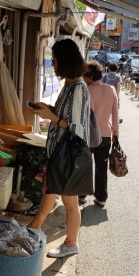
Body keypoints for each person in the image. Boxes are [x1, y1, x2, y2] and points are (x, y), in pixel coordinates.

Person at [28, 39, 90, 258]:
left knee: (68, 201)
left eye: (54, 59)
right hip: (59, 155)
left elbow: (76, 127)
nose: (52, 64)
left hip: (67, 156)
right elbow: (66, 116)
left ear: (65, 60)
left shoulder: (78, 89)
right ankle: (33, 229)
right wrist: (50, 109)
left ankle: (69, 243)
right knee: (53, 192)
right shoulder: (70, 85)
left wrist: (51, 116)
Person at [80, 61, 119, 207]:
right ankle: (101, 197)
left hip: (88, 136)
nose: (83, 78)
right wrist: (116, 133)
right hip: (105, 136)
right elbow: (115, 113)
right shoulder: (111, 90)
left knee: (84, 165)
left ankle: (82, 195)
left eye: (84, 75)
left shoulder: (86, 90)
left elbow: (83, 116)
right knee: (101, 168)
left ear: (90, 75)